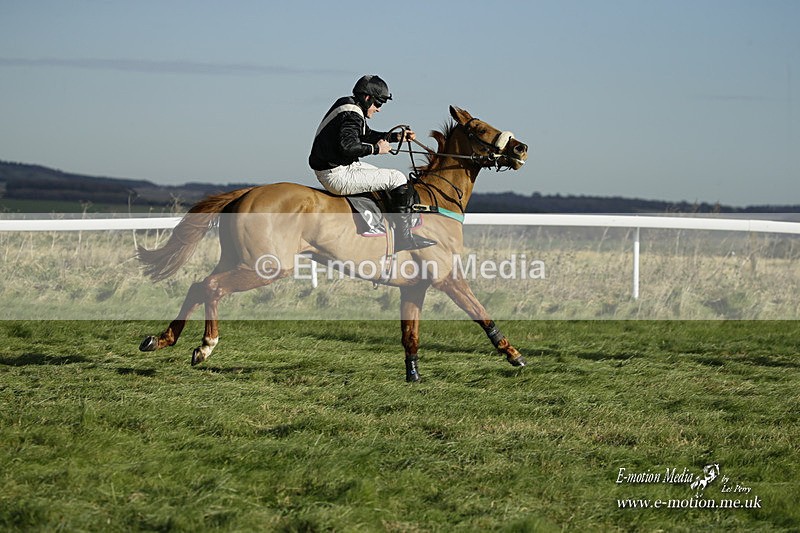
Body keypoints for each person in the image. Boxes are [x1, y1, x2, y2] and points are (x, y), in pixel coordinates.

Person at [309, 75, 436, 251]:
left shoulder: (349, 105)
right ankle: (403, 239)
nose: (379, 109)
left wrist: (395, 137)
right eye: (379, 104)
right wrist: (376, 149)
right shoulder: (352, 114)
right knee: (397, 178)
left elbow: (365, 135)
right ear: (367, 98)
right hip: (337, 174)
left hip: (338, 167)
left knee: (386, 177)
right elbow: (348, 146)